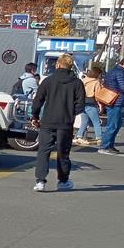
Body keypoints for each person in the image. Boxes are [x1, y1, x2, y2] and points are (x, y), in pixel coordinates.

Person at [30, 54, 85, 192]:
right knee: (63, 152)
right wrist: (71, 113)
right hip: (65, 123)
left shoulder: (48, 81)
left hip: (48, 121)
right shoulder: (77, 83)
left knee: (44, 151)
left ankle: (40, 181)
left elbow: (38, 101)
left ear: (58, 65)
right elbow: (80, 105)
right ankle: (63, 181)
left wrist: (35, 116)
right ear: (70, 66)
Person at [98, 56, 124, 155]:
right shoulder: (121, 72)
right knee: (113, 125)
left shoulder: (113, 71)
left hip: (112, 100)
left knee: (115, 125)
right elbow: (123, 88)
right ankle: (104, 146)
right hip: (116, 101)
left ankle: (109, 145)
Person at [76, 65, 105, 145]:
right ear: (97, 74)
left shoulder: (83, 80)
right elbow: (98, 95)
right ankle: (99, 138)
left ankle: (79, 136)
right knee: (96, 122)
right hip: (91, 103)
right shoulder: (96, 82)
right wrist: (100, 105)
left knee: (84, 122)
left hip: (82, 102)